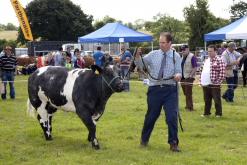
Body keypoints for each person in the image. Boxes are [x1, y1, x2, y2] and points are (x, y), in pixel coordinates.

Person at [134, 32, 182, 152]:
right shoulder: (153, 54)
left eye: (163, 42)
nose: (161, 45)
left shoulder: (176, 56)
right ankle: (144, 140)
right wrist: (137, 56)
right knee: (151, 116)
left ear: (169, 43)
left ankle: (173, 143)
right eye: (160, 42)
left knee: (171, 116)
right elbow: (140, 63)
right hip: (155, 89)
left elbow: (179, 72)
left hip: (170, 90)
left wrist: (177, 76)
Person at [199, 45, 226, 117]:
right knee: (207, 100)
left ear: (215, 51)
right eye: (208, 51)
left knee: (217, 100)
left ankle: (218, 113)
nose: (209, 53)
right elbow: (201, 71)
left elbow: (222, 73)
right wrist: (201, 81)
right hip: (205, 84)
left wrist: (217, 82)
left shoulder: (219, 60)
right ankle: (206, 113)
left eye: (211, 51)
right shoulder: (205, 60)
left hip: (214, 84)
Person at [180, 45, 197, 111]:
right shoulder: (182, 57)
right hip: (182, 77)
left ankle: (190, 107)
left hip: (188, 77)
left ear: (188, 50)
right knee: (185, 92)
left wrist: (191, 75)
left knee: (188, 93)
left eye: (184, 49)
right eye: (182, 50)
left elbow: (195, 67)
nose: (182, 51)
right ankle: (187, 106)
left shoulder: (192, 57)